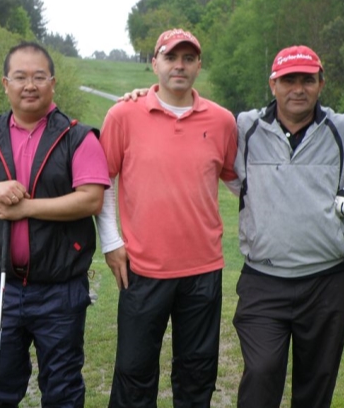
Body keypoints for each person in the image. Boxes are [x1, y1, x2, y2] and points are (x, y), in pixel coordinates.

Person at [232, 45, 344, 407]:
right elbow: (193, 116)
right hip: (263, 281)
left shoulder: (343, 128)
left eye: (307, 80)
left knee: (316, 385)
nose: (297, 89)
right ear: (273, 84)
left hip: (327, 283)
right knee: (261, 372)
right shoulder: (244, 127)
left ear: (321, 84)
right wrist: (143, 94)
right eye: (288, 80)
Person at [0, 41, 110, 408]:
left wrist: (26, 209)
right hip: (0, 288)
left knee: (63, 391)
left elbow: (90, 199)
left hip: (60, 290)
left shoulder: (78, 137)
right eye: (20, 77)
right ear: (5, 84)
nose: (29, 85)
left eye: (39, 77)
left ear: (53, 83)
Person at [95, 28, 239, 407]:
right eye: (171, 57)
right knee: (134, 373)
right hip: (143, 268)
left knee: (197, 375)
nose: (180, 66)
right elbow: (105, 181)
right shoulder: (123, 114)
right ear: (154, 62)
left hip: (203, 269)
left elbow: (238, 182)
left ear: (198, 66)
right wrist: (111, 243)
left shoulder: (222, 121)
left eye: (189, 58)